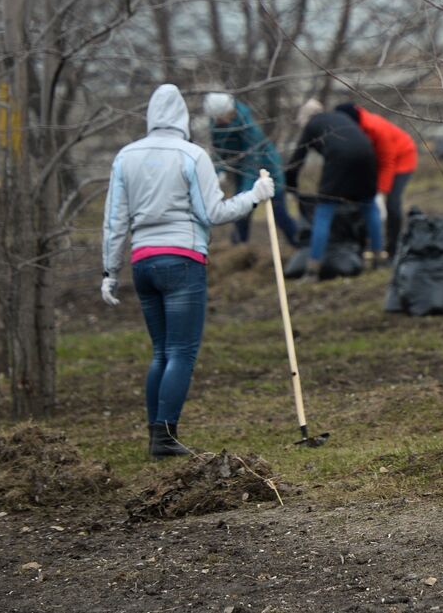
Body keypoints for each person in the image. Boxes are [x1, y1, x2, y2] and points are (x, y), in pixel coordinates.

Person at [102, 84, 276, 457]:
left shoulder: (125, 157)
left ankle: (157, 435)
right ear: (182, 116)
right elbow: (213, 213)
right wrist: (255, 195)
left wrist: (109, 271)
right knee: (181, 352)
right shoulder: (192, 155)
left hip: (143, 263)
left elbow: (115, 222)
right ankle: (165, 438)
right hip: (182, 261)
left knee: (161, 352)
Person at [286, 99, 383, 278]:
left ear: (305, 118)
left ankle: (312, 269)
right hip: (367, 155)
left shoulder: (311, 126)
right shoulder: (338, 116)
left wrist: (290, 187)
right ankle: (378, 258)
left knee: (323, 211)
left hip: (340, 160)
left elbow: (296, 161)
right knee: (369, 206)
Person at [204, 93, 299, 245]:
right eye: (216, 118)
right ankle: (240, 248)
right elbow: (218, 151)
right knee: (241, 216)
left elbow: (252, 161)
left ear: (229, 111)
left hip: (267, 169)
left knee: (279, 213)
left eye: (221, 117)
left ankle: (299, 243)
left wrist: (248, 194)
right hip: (242, 171)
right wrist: (216, 173)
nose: (219, 121)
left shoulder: (247, 126)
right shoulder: (216, 125)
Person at [335, 103, 419, 257]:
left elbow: (387, 161)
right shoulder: (353, 129)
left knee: (392, 204)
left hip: (403, 158)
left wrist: (380, 193)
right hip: (379, 163)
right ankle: (366, 244)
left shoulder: (375, 127)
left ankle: (394, 248)